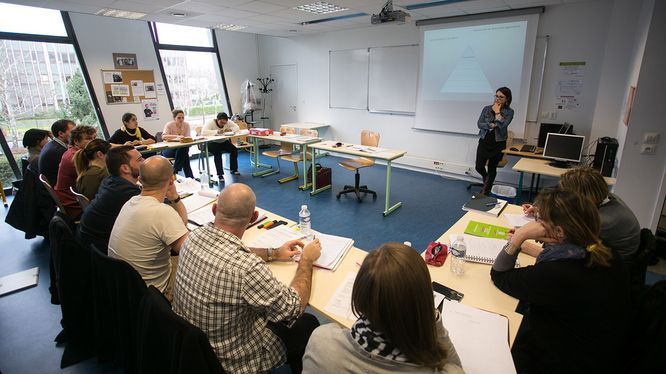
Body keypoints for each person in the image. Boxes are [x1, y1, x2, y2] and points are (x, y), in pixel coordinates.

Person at [173, 183, 322, 373]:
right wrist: (306, 261)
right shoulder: (247, 269)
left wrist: (274, 253)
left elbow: (226, 249)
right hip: (232, 362)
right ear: (253, 217)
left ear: (214, 209)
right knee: (307, 323)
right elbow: (293, 308)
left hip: (195, 351)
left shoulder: (192, 238)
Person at [491, 188, 630, 373]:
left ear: (559, 231)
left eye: (540, 220)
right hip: (602, 347)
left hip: (564, 359)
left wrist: (519, 237)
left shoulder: (557, 274)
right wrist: (529, 248)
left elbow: (500, 275)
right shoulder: (601, 249)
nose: (536, 224)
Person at [303, 242, 463, 373]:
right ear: (423, 303)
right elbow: (455, 366)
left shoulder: (321, 341)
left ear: (360, 298)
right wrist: (431, 317)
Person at [108, 156, 188, 301]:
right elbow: (189, 252)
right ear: (171, 180)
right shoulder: (161, 212)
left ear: (139, 179)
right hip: (153, 293)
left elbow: (180, 226)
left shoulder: (130, 203)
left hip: (125, 288)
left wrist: (174, 197)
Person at [521, 167, 641, 260]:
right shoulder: (604, 198)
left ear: (578, 197)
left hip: (604, 272)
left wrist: (522, 243)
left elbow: (563, 251)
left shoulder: (602, 221)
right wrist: (539, 209)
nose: (560, 196)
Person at [77, 146, 144, 253]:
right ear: (125, 168)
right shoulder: (128, 194)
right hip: (103, 252)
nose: (144, 162)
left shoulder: (110, 181)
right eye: (140, 159)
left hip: (90, 246)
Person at [53, 125, 97, 220]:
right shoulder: (75, 158)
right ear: (76, 141)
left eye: (95, 138)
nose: (94, 142)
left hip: (70, 200)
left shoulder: (72, 152)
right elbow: (95, 177)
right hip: (75, 206)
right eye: (89, 139)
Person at [475, 87, 513, 195]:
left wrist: (497, 112)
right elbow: (479, 124)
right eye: (496, 96)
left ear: (507, 99)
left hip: (498, 143)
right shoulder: (486, 109)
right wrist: (492, 125)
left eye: (501, 97)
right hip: (484, 140)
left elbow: (504, 125)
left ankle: (485, 191)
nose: (498, 99)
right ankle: (487, 179)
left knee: (492, 168)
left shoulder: (509, 112)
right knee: (479, 166)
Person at [201, 112, 240, 182]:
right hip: (212, 142)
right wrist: (217, 132)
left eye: (224, 123)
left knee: (234, 150)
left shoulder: (227, 122)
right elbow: (203, 132)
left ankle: (233, 169)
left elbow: (237, 127)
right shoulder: (210, 123)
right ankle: (220, 174)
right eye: (221, 123)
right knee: (218, 154)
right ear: (217, 119)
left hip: (223, 141)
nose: (223, 124)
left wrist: (231, 130)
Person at [39, 119, 76, 185]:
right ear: (61, 133)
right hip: (63, 188)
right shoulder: (59, 152)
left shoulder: (51, 144)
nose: (76, 135)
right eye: (73, 132)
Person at [161, 109, 194, 178]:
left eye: (182, 118)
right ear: (174, 118)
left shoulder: (186, 125)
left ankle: (175, 170)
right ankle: (190, 177)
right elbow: (163, 136)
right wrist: (177, 137)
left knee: (183, 150)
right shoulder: (169, 125)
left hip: (180, 149)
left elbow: (188, 137)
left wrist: (186, 139)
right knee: (184, 154)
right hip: (168, 149)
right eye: (179, 118)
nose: (181, 119)